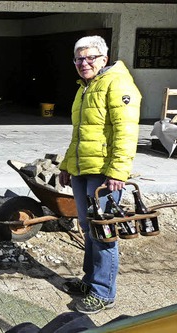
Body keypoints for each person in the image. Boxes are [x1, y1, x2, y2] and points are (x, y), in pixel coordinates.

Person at [58, 36, 141, 314]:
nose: (84, 63)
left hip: (104, 174)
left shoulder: (117, 84)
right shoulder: (85, 88)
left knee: (104, 232)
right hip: (84, 171)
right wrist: (68, 166)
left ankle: (104, 292)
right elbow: (80, 134)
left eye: (90, 57)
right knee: (89, 227)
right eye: (79, 59)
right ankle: (90, 281)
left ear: (104, 59)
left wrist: (117, 172)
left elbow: (126, 133)